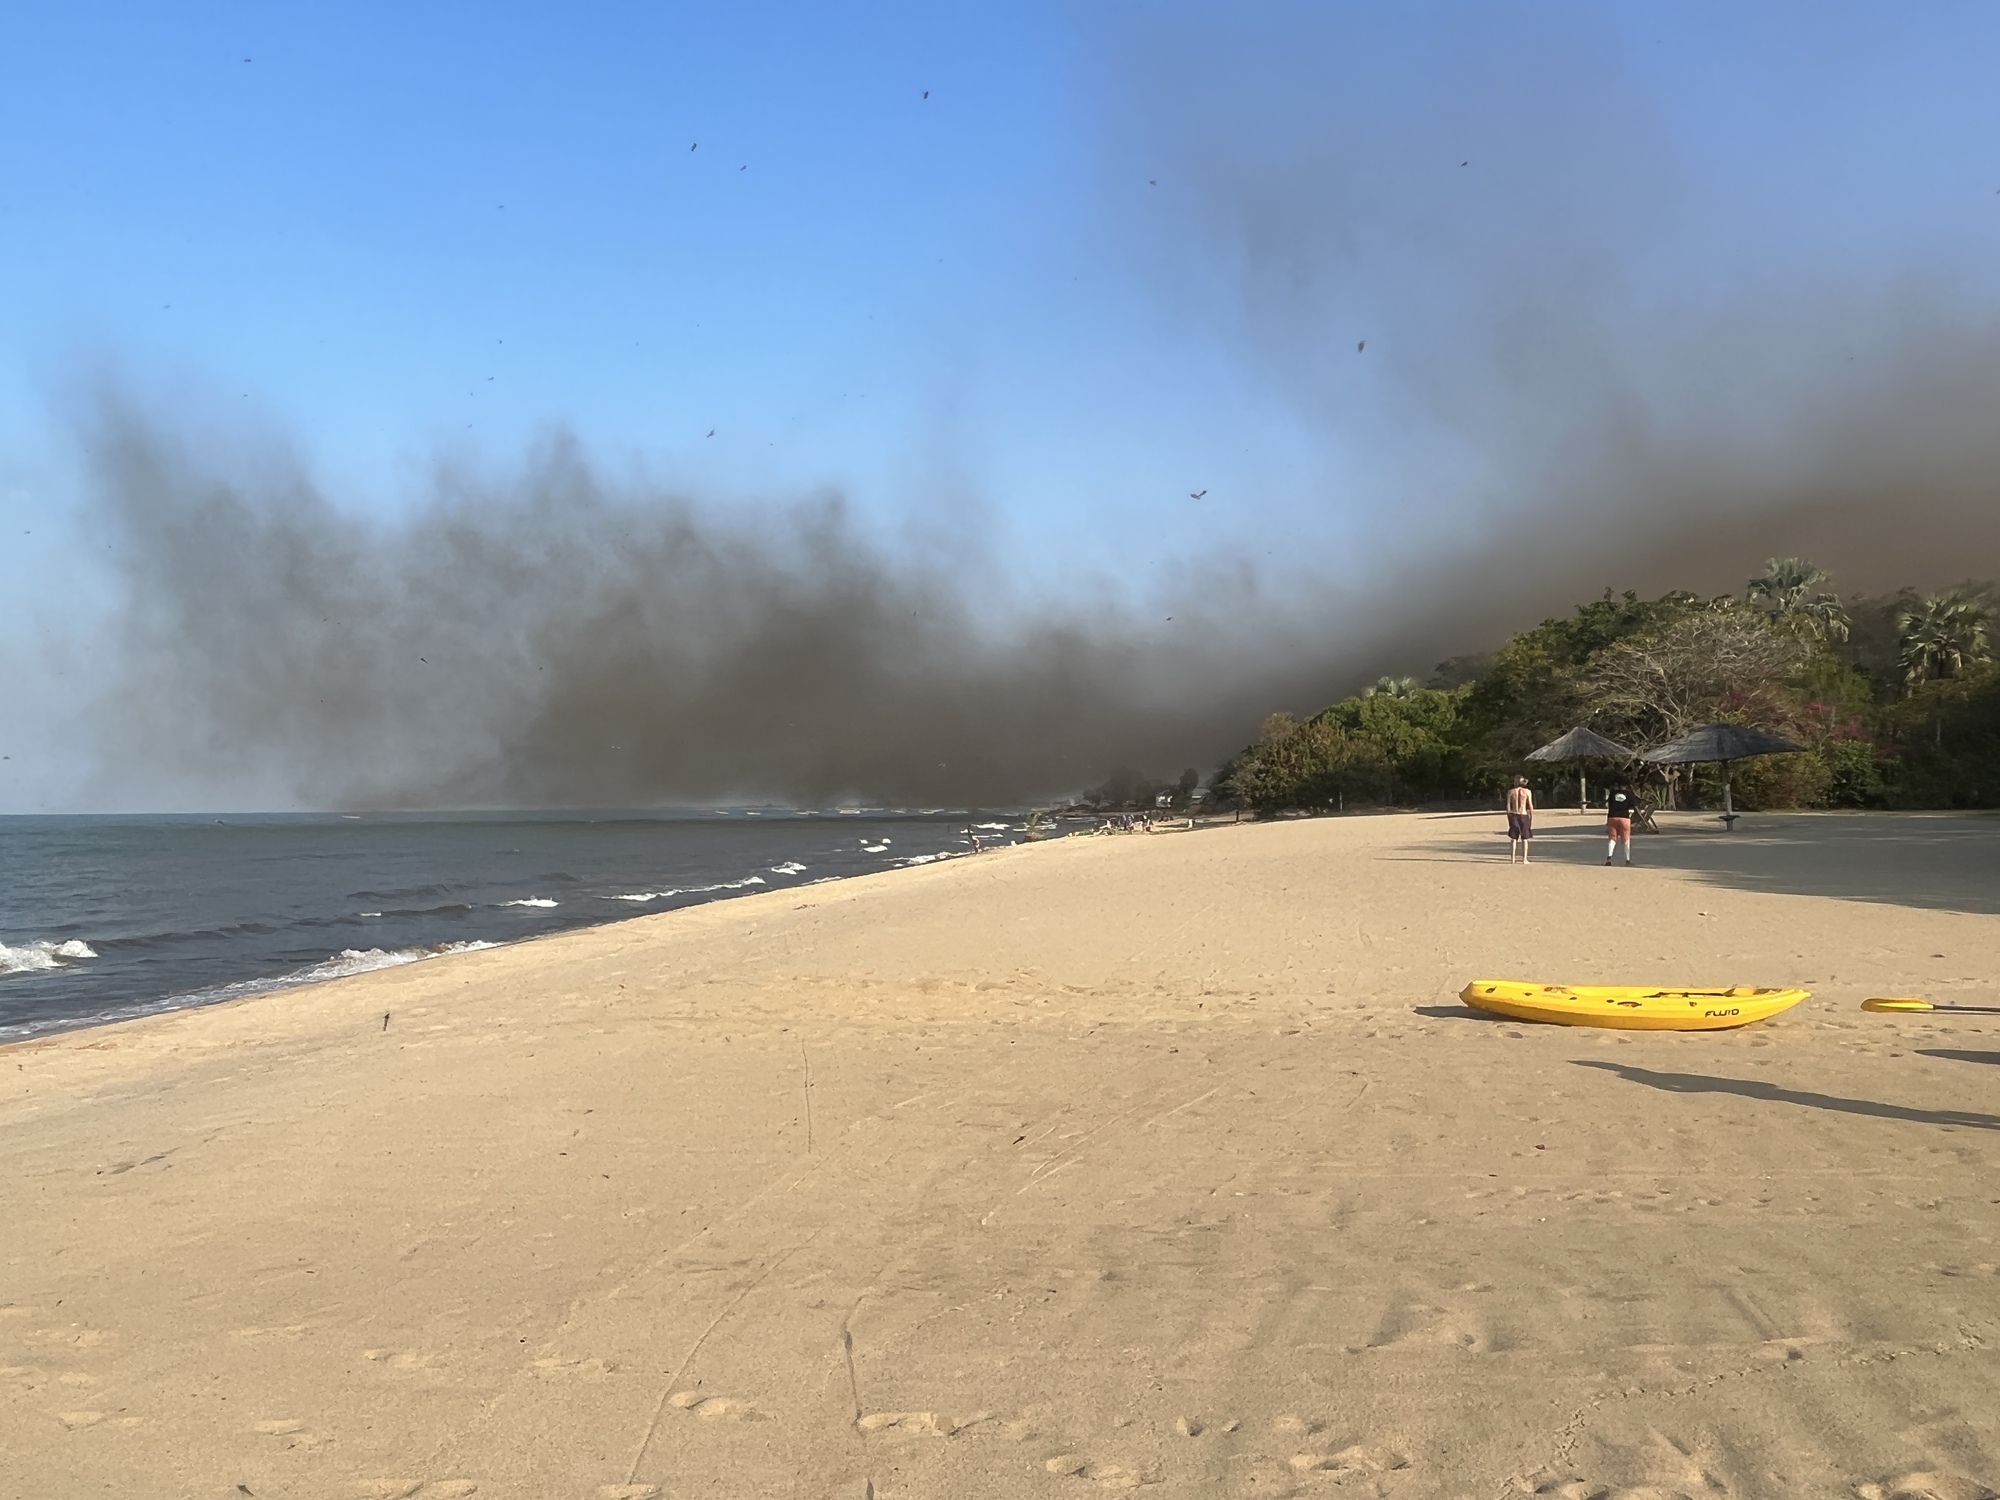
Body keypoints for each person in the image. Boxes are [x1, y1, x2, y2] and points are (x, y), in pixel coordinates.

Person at [1605, 781, 1639, 865]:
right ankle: (1627, 860)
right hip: (1624, 817)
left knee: (1612, 838)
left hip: (1612, 817)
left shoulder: (1613, 793)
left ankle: (1609, 858)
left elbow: (1609, 803)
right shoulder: (1629, 794)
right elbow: (1634, 804)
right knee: (1626, 839)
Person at [1505, 776, 1534, 863]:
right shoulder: (1527, 791)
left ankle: (1513, 859)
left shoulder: (1511, 792)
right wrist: (1531, 816)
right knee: (1525, 838)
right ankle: (1524, 859)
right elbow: (1530, 805)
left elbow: (1508, 806)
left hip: (1514, 814)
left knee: (1513, 838)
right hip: (1523, 815)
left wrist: (1509, 817)